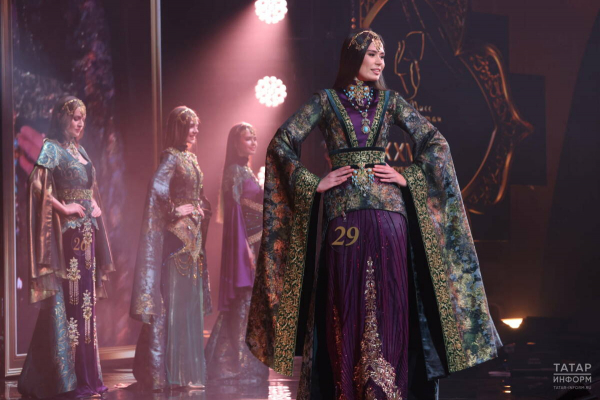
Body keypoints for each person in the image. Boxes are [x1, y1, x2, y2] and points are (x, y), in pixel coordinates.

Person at [246, 30, 503, 399]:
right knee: (345, 301)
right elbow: (281, 143)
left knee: (393, 303)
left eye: (382, 55)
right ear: (353, 57)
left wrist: (408, 176)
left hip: (389, 219)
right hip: (344, 219)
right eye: (372, 54)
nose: (380, 61)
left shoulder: (391, 101)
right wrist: (313, 182)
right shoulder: (325, 101)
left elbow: (436, 142)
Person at [18, 96, 115, 399]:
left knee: (86, 307)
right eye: (75, 117)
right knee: (72, 303)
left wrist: (95, 205)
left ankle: (86, 376)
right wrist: (65, 207)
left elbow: (89, 187)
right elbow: (37, 186)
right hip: (70, 238)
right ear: (62, 118)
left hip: (88, 235)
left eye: (83, 118)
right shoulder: (52, 148)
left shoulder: (80, 151)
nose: (80, 123)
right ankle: (70, 378)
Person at [130, 106, 212, 390]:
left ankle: (186, 372)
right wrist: (175, 210)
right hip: (176, 239)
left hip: (193, 240)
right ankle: (172, 373)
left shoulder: (191, 157)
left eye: (196, 125)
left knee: (189, 305)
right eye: (190, 125)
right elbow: (156, 189)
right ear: (179, 128)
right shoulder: (171, 157)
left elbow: (195, 193)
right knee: (174, 305)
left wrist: (199, 206)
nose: (195, 130)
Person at [205, 123, 269, 385]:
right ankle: (238, 365)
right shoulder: (233, 171)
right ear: (235, 143)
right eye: (247, 139)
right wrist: (246, 251)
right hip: (247, 245)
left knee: (249, 304)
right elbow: (235, 216)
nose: (253, 143)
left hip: (257, 242)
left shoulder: (246, 170)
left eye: (255, 138)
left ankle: (235, 361)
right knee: (243, 303)